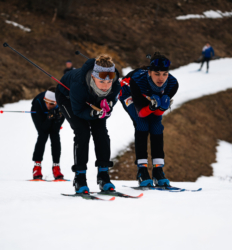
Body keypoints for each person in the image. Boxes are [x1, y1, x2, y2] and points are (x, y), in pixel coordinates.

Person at [56, 55, 121, 194]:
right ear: (93, 76)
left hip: (93, 101)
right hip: (68, 98)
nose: (106, 86)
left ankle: (103, 175)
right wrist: (92, 113)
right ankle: (80, 177)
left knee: (101, 132)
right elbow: (78, 111)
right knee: (82, 132)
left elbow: (112, 101)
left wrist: (108, 107)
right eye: (102, 81)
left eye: (109, 81)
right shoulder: (79, 85)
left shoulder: (115, 85)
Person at [119, 52, 179, 187]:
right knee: (142, 124)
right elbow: (141, 113)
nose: (161, 78)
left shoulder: (173, 84)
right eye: (157, 74)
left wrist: (162, 107)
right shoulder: (137, 80)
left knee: (156, 125)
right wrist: (152, 107)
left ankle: (158, 170)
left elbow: (157, 115)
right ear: (150, 72)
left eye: (164, 74)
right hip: (128, 93)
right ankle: (142, 170)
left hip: (149, 97)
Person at [31, 86, 65, 180]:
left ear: (57, 102)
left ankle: (56, 167)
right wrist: (49, 118)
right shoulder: (39, 102)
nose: (48, 105)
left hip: (56, 113)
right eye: (46, 101)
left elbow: (55, 129)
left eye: (51, 103)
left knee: (55, 136)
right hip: (39, 112)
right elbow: (43, 128)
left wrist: (57, 119)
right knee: (42, 135)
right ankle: (37, 167)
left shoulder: (63, 105)